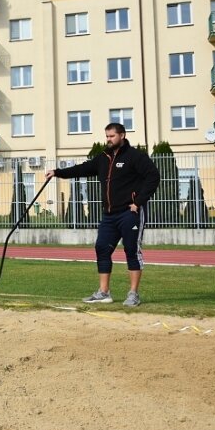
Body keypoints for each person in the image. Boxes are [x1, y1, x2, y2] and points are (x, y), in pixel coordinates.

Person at [45, 123, 160, 307]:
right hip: (109, 216)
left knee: (131, 250)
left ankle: (133, 294)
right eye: (106, 136)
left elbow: (153, 177)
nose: (108, 139)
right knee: (102, 248)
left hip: (130, 214)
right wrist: (57, 172)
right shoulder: (103, 158)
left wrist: (138, 202)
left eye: (112, 136)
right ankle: (104, 293)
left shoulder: (135, 157)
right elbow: (81, 169)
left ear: (122, 135)